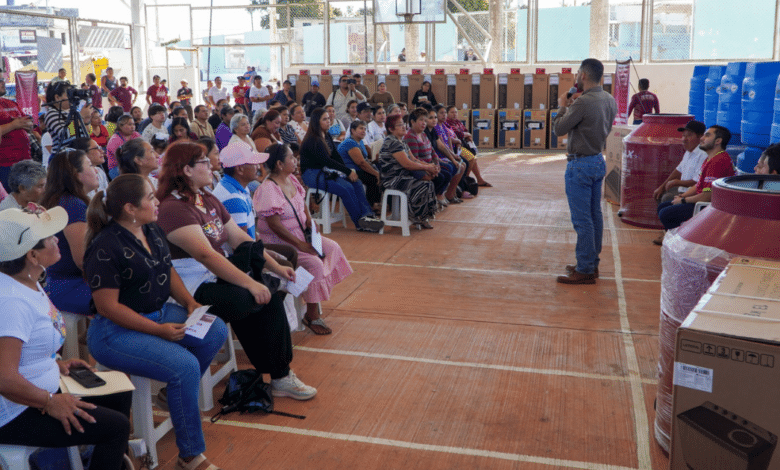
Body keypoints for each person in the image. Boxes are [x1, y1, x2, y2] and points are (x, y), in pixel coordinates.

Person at [83, 174, 228, 470]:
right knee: (184, 366)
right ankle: (190, 456)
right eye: (150, 198)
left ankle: (171, 395)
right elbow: (108, 308)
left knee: (215, 330)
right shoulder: (105, 246)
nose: (157, 202)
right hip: (115, 332)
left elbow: (167, 270)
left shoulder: (151, 229)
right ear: (130, 209)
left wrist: (189, 303)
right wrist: (158, 331)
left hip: (158, 313)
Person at [154, 141, 317, 401]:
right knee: (248, 296)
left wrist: (276, 268)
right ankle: (183, 378)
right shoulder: (173, 208)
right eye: (204, 162)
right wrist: (251, 283)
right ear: (186, 169)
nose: (212, 166)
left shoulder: (206, 198)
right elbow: (206, 255)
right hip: (188, 287)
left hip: (213, 276)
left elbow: (241, 239)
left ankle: (280, 376)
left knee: (268, 297)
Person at [0, 205, 131, 470]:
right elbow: (4, 377)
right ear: (32, 255)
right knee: (116, 428)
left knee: (119, 396)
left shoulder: (28, 280)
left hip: (36, 392)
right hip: (15, 411)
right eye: (50, 237)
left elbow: (24, 348)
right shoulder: (11, 303)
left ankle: (101, 460)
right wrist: (50, 403)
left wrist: (54, 363)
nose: (57, 239)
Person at [254, 143, 354, 334]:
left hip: (301, 234)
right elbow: (275, 225)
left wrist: (309, 220)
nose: (295, 160)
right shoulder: (269, 189)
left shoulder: (291, 178)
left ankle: (312, 288)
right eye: (291, 158)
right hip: (281, 243)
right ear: (279, 164)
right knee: (314, 264)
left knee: (332, 248)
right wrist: (300, 244)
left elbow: (302, 203)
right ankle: (312, 315)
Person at [552, 58, 618, 284]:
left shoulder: (583, 102)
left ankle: (585, 268)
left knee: (582, 220)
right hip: (597, 160)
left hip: (580, 165)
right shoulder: (609, 99)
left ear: (584, 75)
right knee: (594, 216)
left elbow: (559, 129)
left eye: (578, 73)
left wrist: (563, 106)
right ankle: (591, 262)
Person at [300, 108, 384, 232]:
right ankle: (360, 223)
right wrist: (347, 172)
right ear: (316, 122)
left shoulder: (326, 135)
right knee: (346, 188)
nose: (328, 121)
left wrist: (348, 171)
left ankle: (368, 215)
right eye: (325, 119)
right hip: (312, 174)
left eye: (328, 118)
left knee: (356, 182)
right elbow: (327, 161)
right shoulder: (313, 139)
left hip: (326, 171)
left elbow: (335, 156)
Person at [40, 150, 101, 315]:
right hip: (70, 285)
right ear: (76, 174)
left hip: (62, 283)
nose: (96, 170)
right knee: (132, 295)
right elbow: (82, 260)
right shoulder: (73, 205)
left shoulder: (65, 200)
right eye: (90, 165)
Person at [657, 125, 736, 235]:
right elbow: (699, 184)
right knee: (663, 207)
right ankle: (676, 236)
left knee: (666, 213)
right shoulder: (711, 158)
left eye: (707, 135)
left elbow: (707, 196)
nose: (702, 138)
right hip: (704, 202)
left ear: (718, 141)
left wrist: (683, 200)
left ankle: (681, 238)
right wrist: (682, 196)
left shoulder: (718, 162)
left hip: (710, 207)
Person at [650, 120, 707, 245]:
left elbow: (698, 184)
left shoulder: (703, 155)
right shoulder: (689, 152)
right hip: (685, 191)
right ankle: (671, 233)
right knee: (661, 196)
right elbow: (678, 170)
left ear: (700, 137)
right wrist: (662, 186)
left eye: (689, 135)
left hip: (695, 195)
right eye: (683, 136)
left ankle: (676, 238)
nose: (684, 139)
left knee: (666, 202)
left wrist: (678, 185)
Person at [378, 114, 437, 229]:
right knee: (423, 185)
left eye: (403, 124)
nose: (404, 126)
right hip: (392, 179)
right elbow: (407, 164)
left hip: (404, 176)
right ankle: (415, 215)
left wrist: (430, 165)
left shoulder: (402, 141)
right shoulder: (392, 142)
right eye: (399, 125)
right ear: (391, 129)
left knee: (429, 183)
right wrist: (427, 168)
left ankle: (422, 217)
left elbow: (413, 159)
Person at [404, 108, 450, 209]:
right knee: (440, 177)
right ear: (412, 122)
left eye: (425, 120)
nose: (424, 123)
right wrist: (429, 167)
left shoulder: (423, 134)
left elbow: (433, 152)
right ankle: (429, 202)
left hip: (429, 165)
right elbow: (414, 159)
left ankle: (435, 198)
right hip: (418, 167)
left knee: (446, 174)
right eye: (421, 120)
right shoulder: (410, 137)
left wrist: (436, 164)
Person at [338, 120, 382, 209]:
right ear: (353, 130)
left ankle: (378, 203)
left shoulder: (360, 142)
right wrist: (376, 173)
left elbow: (365, 159)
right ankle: (371, 206)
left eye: (365, 129)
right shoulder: (350, 142)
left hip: (357, 169)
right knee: (373, 178)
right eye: (361, 128)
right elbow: (361, 163)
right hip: (349, 171)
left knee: (381, 172)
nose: (363, 131)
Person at [443, 105, 491, 187]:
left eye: (456, 112)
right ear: (447, 114)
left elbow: (465, 130)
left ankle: (479, 180)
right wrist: (466, 135)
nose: (454, 114)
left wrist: (467, 135)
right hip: (455, 147)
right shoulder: (447, 123)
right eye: (452, 112)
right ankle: (465, 180)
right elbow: (458, 134)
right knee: (471, 159)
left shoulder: (457, 121)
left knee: (474, 160)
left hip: (462, 144)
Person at [0, 77, 33, 190]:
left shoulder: (11, 103)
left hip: (26, 160)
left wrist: (27, 123)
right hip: (6, 165)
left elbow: (28, 122)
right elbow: (18, 123)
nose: (3, 82)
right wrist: (14, 125)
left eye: (2, 79)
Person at [426, 108, 465, 204]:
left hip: (457, 149)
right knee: (456, 166)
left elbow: (453, 138)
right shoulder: (435, 128)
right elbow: (441, 145)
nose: (434, 119)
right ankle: (445, 194)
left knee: (466, 163)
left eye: (456, 112)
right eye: (431, 118)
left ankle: (454, 192)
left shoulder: (449, 124)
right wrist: (452, 156)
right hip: (440, 156)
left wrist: (453, 156)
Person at [44, 81, 93, 154]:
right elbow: (64, 135)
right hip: (63, 157)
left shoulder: (72, 112)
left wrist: (87, 120)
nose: (72, 98)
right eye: (69, 95)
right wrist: (81, 116)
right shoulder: (51, 114)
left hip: (78, 154)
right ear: (57, 97)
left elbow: (88, 132)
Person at [106, 114, 141, 179]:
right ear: (121, 126)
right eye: (130, 124)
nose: (133, 127)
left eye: (133, 124)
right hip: (117, 168)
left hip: (134, 164)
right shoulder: (115, 139)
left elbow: (143, 148)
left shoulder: (135, 134)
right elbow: (123, 158)